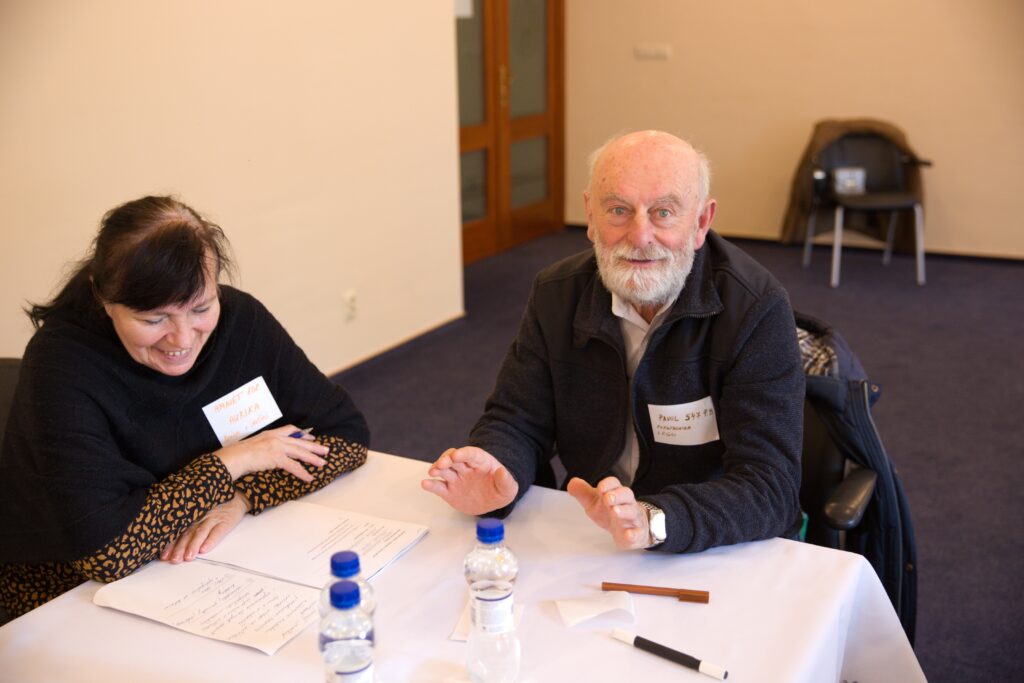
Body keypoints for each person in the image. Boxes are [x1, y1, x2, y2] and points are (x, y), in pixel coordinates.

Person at [422, 131, 804, 553]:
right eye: (619, 210)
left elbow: (770, 485)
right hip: (590, 535)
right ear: (591, 215)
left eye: (663, 213)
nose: (639, 237)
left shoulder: (754, 308)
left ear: (700, 222)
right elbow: (517, 419)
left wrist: (654, 519)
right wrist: (498, 469)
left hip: (708, 546)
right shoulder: (557, 293)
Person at [0, 196, 369, 618]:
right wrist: (234, 462)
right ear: (103, 298)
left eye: (200, 308)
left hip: (195, 566)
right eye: (154, 319)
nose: (182, 339)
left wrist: (244, 496)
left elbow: (345, 434)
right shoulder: (63, 362)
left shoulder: (241, 320)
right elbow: (107, 553)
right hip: (64, 592)